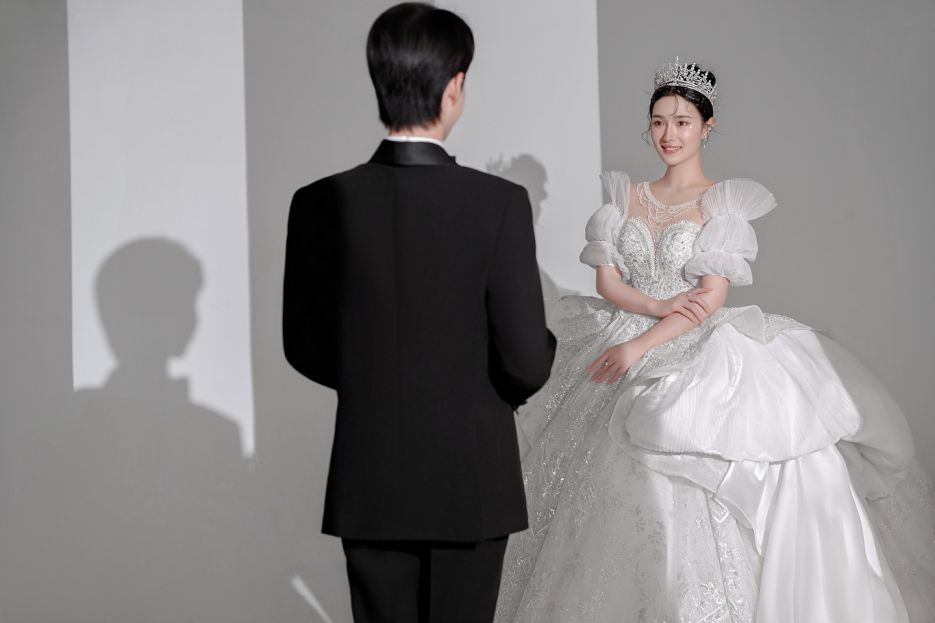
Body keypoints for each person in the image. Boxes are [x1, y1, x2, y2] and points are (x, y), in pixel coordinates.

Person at [494, 60, 935, 623]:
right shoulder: (625, 197)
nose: (669, 134)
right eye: (658, 121)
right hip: (622, 327)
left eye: (682, 122)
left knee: (677, 448)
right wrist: (651, 308)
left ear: (707, 126)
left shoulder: (721, 206)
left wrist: (642, 345)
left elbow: (709, 297)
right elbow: (607, 282)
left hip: (691, 343)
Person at [282, 3, 556, 622]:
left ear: (379, 81)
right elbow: (524, 360)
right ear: (455, 86)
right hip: (471, 479)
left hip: (369, 475)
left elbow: (304, 345)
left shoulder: (317, 202)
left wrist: (376, 383)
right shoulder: (499, 204)